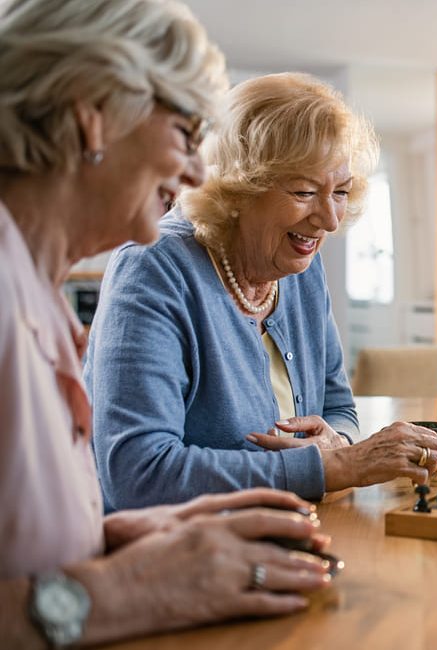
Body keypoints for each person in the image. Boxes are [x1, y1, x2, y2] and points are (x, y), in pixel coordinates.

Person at [0, 0, 335, 645]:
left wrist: (110, 539)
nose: (199, 173)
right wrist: (123, 588)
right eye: (185, 132)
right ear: (92, 117)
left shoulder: (35, 291)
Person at [85, 72, 437, 510]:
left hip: (289, 527)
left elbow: (338, 406)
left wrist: (339, 442)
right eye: (305, 191)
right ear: (238, 190)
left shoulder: (300, 268)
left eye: (341, 192)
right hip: (174, 543)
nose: (330, 220)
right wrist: (333, 466)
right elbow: (137, 474)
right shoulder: (154, 267)